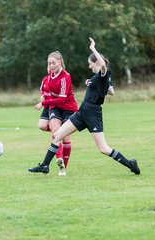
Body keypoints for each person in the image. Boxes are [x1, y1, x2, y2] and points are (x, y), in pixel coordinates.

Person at [28, 37, 140, 175]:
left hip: (93, 113)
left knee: (103, 148)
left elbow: (104, 68)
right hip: (83, 111)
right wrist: (104, 88)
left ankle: (130, 164)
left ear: (97, 62)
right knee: (57, 136)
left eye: (90, 64)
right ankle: (45, 166)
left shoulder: (104, 73)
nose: (89, 66)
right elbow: (112, 92)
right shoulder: (97, 77)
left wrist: (93, 48)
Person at [34, 51, 78, 176]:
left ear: (60, 62)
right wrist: (44, 99)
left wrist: (43, 103)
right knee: (55, 132)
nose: (51, 65)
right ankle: (59, 159)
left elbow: (62, 99)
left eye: (54, 63)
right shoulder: (49, 75)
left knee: (65, 137)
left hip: (68, 107)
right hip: (55, 107)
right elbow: (45, 89)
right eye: (49, 63)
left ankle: (63, 168)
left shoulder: (65, 77)